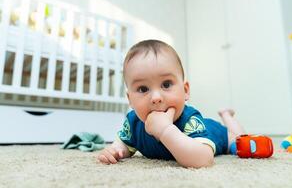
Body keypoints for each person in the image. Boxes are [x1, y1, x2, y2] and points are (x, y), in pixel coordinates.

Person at [97, 39, 245, 168]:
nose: (156, 97)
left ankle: (227, 116)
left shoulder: (190, 120)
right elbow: (124, 145)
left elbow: (204, 159)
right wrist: (114, 151)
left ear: (185, 90)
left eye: (166, 84)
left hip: (219, 134)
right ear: (130, 100)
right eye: (143, 89)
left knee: (240, 140)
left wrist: (165, 130)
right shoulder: (133, 122)